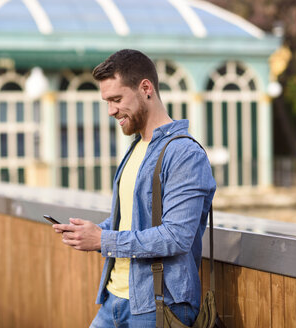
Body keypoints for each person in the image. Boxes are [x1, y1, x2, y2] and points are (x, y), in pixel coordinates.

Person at [52, 49, 216, 327]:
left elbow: (177, 236)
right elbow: (133, 219)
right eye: (107, 101)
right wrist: (94, 231)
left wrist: (103, 241)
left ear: (146, 88)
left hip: (158, 306)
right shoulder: (136, 148)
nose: (111, 110)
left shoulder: (184, 153)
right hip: (113, 299)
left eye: (117, 99)